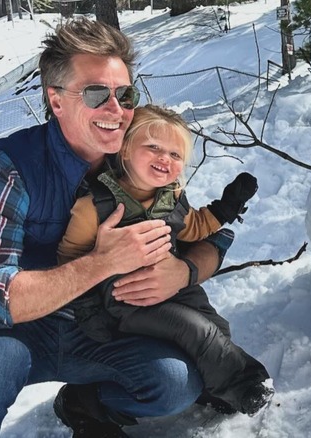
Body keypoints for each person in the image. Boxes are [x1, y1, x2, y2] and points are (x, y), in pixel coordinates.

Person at [0, 18, 230, 437]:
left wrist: (183, 272)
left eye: (125, 93)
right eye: (96, 93)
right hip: (14, 329)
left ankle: (86, 403)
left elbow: (207, 233)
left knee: (174, 382)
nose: (116, 110)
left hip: (101, 324)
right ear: (56, 101)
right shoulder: (6, 167)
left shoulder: (137, 157)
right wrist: (101, 262)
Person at [58, 104, 272, 416]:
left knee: (216, 327)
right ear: (127, 149)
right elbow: (70, 259)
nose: (165, 159)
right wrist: (89, 310)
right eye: (154, 147)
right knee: (194, 331)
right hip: (126, 298)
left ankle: (206, 387)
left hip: (174, 286)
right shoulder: (95, 206)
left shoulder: (169, 197)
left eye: (175, 155)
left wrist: (225, 208)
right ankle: (246, 385)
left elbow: (193, 227)